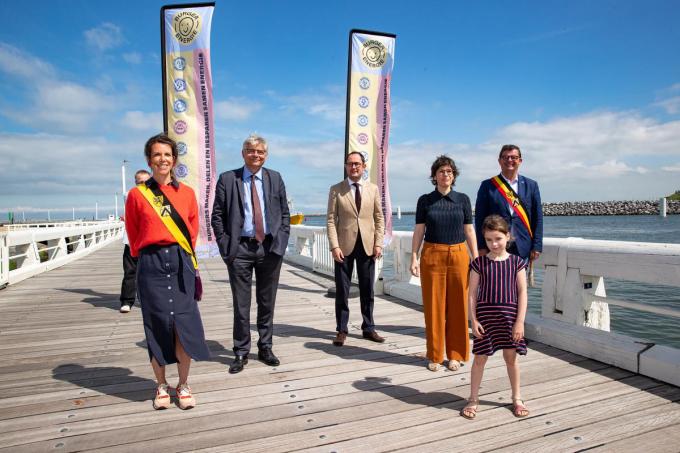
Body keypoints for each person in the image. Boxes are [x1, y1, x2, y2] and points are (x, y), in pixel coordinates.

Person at [125, 133, 210, 410]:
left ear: (174, 160)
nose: (163, 159)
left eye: (167, 154)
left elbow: (193, 229)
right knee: (157, 324)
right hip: (151, 264)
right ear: (149, 160)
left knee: (184, 324)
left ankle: (183, 385)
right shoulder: (138, 195)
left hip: (180, 261)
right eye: (157, 154)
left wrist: (179, 253)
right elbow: (133, 233)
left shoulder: (186, 193)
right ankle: (161, 385)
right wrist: (147, 255)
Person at [211, 134, 290, 374]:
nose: (256, 155)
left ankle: (265, 346)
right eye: (251, 150)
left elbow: (284, 214)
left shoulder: (275, 178)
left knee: (267, 302)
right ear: (243, 153)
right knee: (241, 304)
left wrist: (280, 243)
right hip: (240, 250)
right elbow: (217, 216)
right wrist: (227, 247)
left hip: (269, 249)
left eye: (260, 152)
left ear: (266, 155)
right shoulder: (228, 179)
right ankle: (240, 351)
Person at [410, 155, 478, 371]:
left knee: (458, 305)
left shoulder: (463, 200)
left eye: (449, 171)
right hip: (432, 253)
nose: (445, 175)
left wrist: (476, 258)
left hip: (459, 254)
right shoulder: (425, 200)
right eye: (441, 171)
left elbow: (469, 230)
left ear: (454, 175)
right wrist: (414, 256)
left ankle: (456, 354)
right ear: (434, 176)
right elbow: (420, 230)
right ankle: (436, 354)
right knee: (434, 306)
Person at [461, 215, 529, 419]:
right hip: (485, 320)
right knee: (480, 359)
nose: (494, 243)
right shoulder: (479, 264)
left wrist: (519, 322)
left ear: (508, 236)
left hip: (509, 320)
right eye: (489, 240)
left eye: (498, 238)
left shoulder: (517, 262)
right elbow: (472, 294)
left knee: (511, 359)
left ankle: (517, 397)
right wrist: (473, 320)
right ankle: (473, 398)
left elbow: (522, 293)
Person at [326, 151, 385, 346]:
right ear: (346, 166)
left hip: (368, 246)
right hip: (343, 247)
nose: (354, 167)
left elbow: (379, 218)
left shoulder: (373, 189)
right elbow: (330, 220)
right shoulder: (336, 189)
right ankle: (341, 329)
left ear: (364, 166)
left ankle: (368, 327)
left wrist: (378, 243)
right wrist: (334, 246)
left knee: (368, 290)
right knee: (342, 291)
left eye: (357, 164)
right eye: (350, 164)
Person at [474, 144, 543, 262]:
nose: (509, 160)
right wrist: (481, 246)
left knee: (520, 280)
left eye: (513, 157)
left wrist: (537, 246)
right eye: (505, 157)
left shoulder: (531, 185)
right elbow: (480, 218)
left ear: (520, 161)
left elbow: (537, 217)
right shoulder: (487, 185)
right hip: (495, 247)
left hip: (523, 247)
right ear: (499, 161)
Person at [119, 169, 150, 313]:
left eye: (146, 182)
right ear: (135, 183)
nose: (143, 185)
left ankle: (146, 299)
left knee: (149, 273)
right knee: (130, 272)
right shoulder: (131, 194)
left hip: (149, 240)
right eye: (140, 182)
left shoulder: (156, 195)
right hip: (131, 241)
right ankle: (127, 301)